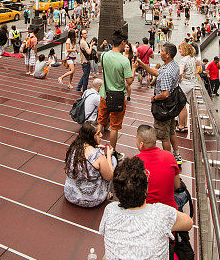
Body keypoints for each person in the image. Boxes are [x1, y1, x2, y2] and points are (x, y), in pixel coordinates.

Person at [99, 156, 193, 260]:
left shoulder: (110, 211)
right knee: (175, 251)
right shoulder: (161, 213)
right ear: (146, 187)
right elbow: (188, 223)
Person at [136, 42, 182, 166]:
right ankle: (176, 155)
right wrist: (143, 65)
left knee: (163, 135)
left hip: (164, 107)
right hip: (172, 106)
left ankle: (168, 161)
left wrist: (154, 98)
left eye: (162, 51)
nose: (159, 53)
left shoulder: (167, 71)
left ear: (167, 54)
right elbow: (157, 73)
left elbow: (165, 93)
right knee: (171, 131)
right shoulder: (172, 65)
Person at [97, 30, 133, 160]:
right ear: (122, 42)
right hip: (118, 97)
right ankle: (112, 152)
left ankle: (95, 146)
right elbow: (129, 81)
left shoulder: (104, 56)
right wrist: (133, 69)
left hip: (104, 94)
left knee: (100, 122)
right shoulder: (124, 61)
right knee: (114, 127)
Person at [64, 121, 115, 208]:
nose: (101, 136)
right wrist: (109, 156)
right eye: (98, 134)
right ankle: (106, 194)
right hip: (92, 200)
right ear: (91, 137)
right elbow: (109, 176)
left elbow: (86, 154)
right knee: (113, 161)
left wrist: (94, 147)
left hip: (71, 196)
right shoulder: (98, 156)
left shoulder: (74, 147)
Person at [136, 124, 180, 209]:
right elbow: (177, 185)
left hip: (145, 211)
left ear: (141, 144)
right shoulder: (170, 156)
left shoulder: (134, 162)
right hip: (169, 210)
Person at [177, 41, 198, 133]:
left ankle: (181, 125)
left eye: (180, 49)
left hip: (184, 84)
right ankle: (185, 125)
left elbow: (180, 72)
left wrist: (179, 79)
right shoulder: (193, 59)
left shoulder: (183, 60)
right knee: (184, 105)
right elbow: (199, 65)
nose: (179, 51)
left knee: (181, 106)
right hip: (191, 83)